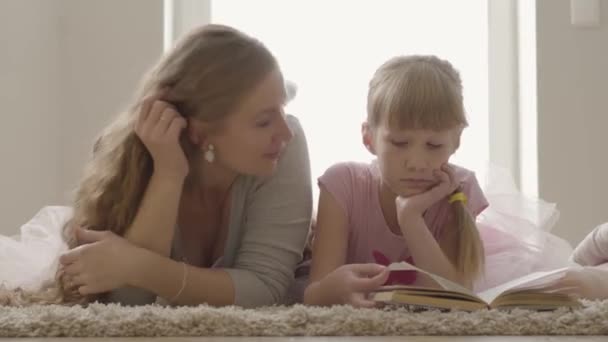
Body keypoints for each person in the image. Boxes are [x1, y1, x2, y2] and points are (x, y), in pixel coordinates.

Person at [0, 24, 313, 308]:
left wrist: (137, 265)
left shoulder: (286, 145)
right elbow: (128, 301)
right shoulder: (133, 157)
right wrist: (168, 173)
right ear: (201, 132)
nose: (284, 132)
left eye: (282, 109)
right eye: (263, 121)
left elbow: (264, 289)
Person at [302, 55, 572, 307]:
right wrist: (331, 290)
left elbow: (452, 297)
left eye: (433, 145)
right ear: (369, 138)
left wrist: (411, 217)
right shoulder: (343, 184)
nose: (417, 162)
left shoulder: (461, 187)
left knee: (572, 284)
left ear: (456, 142)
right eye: (399, 143)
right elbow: (314, 293)